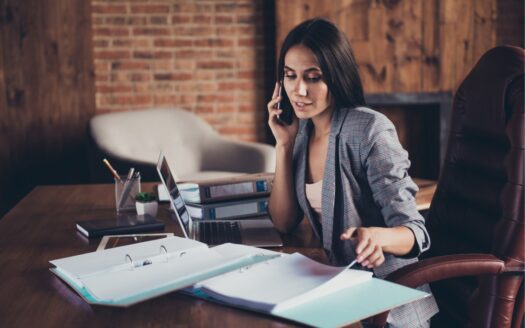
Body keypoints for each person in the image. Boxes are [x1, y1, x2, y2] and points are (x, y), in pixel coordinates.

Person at [267, 18, 439, 327]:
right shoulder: (303, 131)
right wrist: (283, 144)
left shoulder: (369, 130)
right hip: (339, 289)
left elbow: (416, 232)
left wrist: (376, 237)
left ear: (336, 76)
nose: (299, 90)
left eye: (313, 77)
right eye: (290, 76)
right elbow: (283, 220)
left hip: (387, 305)